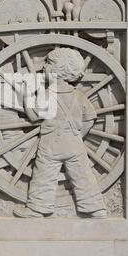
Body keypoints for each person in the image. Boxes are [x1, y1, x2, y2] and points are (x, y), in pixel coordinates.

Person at [14, 47, 107, 218]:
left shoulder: (47, 95)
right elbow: (89, 119)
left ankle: (38, 209)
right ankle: (95, 208)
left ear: (57, 70)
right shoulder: (79, 96)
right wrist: (78, 135)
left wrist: (27, 94)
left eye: (48, 64)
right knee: (83, 176)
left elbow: (34, 116)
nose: (43, 68)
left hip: (51, 145)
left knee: (43, 176)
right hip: (74, 145)